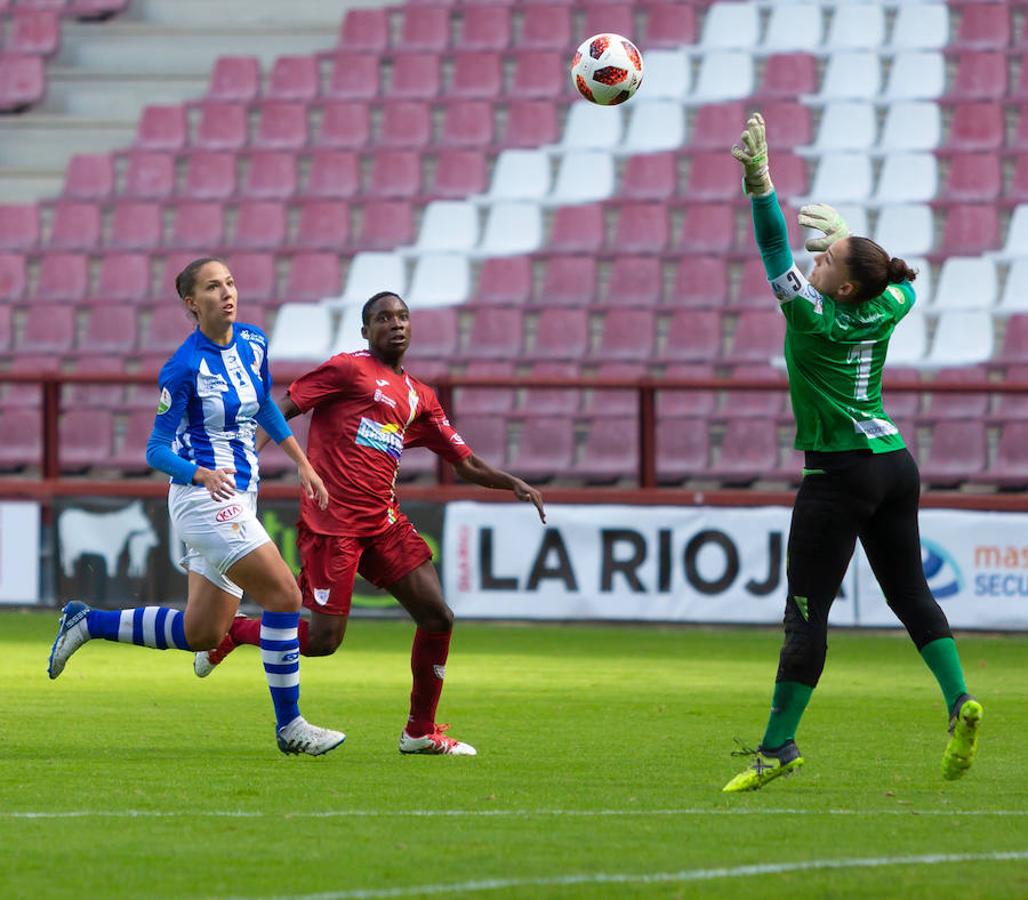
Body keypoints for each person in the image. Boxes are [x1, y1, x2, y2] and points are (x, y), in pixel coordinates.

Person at [722, 114, 982, 792]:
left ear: (839, 289)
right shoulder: (891, 299)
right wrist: (847, 241)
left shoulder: (813, 315)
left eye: (828, 260)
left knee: (807, 610)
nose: (818, 259)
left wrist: (760, 182)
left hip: (837, 471)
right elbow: (895, 278)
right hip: (895, 462)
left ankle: (778, 745)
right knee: (911, 593)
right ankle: (959, 701)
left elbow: (773, 246)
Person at [193, 290, 546, 756]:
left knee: (438, 616)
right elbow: (284, 406)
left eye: (402, 317)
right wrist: (245, 461)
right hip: (331, 524)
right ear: (365, 330)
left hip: (383, 523)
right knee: (322, 642)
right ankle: (236, 630)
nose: (395, 324)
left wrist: (512, 483)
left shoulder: (420, 396)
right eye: (383, 318)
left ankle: (420, 731)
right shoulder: (346, 369)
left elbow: (464, 462)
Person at [47, 257, 346, 757]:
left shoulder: (253, 342)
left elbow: (266, 406)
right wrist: (199, 473)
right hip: (204, 501)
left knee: (202, 630)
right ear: (192, 303)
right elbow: (156, 450)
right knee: (285, 596)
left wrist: (301, 462)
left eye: (229, 282)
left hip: (241, 497)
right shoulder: (183, 367)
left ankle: (87, 621)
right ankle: (290, 726)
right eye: (213, 286)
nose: (226, 292)